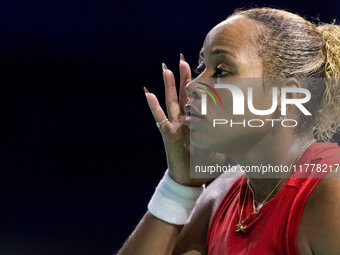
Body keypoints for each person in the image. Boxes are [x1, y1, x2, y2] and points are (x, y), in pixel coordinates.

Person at [118, 7, 340, 255]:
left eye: (221, 71)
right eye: (202, 67)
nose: (193, 85)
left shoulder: (332, 194)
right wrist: (179, 185)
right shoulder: (221, 196)